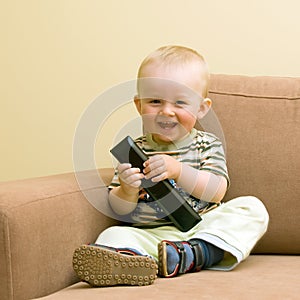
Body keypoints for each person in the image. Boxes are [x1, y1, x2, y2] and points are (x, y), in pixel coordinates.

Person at [72, 45, 269, 287]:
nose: (167, 111)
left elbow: (217, 191)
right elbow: (119, 209)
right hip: (150, 234)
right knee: (112, 235)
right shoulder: (133, 151)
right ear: (139, 106)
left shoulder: (206, 144)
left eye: (180, 103)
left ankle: (196, 253)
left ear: (202, 108)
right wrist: (126, 190)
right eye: (155, 101)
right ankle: (136, 260)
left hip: (202, 228)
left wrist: (179, 170)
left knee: (252, 209)